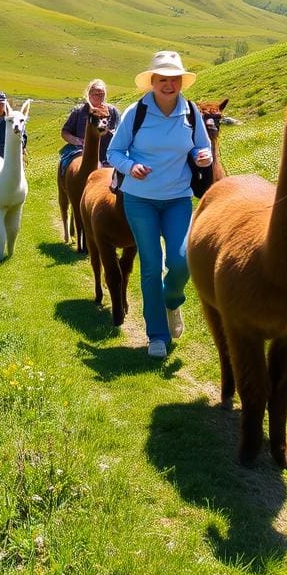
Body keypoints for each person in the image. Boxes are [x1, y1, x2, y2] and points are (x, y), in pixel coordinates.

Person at [106, 52, 212, 359]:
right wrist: (130, 167)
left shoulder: (190, 111)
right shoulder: (135, 112)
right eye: (162, 79)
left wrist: (202, 156)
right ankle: (157, 335)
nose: (168, 84)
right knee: (151, 265)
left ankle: (172, 301)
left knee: (182, 262)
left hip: (178, 198)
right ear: (152, 82)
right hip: (140, 200)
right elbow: (114, 153)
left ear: (181, 81)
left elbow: (201, 147)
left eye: (173, 79)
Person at [59, 78, 121, 174]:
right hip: (82, 151)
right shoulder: (79, 111)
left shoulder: (112, 111)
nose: (100, 97)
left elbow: (119, 133)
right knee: (67, 165)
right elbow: (65, 132)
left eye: (102, 94)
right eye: (97, 94)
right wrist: (75, 140)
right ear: (89, 95)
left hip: (106, 153)